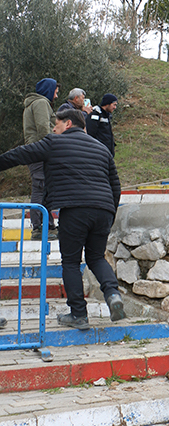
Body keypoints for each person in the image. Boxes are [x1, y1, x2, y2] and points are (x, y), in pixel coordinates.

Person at [0, 108, 125, 330]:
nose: (53, 130)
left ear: (67, 124)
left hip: (75, 210)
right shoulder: (101, 148)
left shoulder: (53, 143)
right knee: (96, 257)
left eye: (55, 126)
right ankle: (113, 295)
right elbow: (115, 185)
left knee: (70, 261)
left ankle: (78, 314)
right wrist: (110, 212)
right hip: (103, 210)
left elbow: (21, 154)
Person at [22, 78, 59, 240]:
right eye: (56, 92)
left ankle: (48, 226)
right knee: (39, 187)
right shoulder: (41, 103)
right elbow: (44, 128)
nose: (56, 96)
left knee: (45, 188)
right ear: (49, 90)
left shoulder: (36, 103)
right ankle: (37, 228)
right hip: (39, 152)